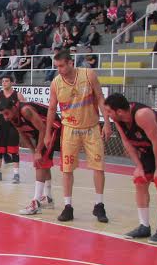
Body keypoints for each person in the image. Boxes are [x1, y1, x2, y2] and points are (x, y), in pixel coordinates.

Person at [103, 93, 157, 245]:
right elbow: (127, 143)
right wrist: (139, 167)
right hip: (149, 147)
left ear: (119, 111)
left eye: (108, 111)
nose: (106, 115)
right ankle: (144, 226)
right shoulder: (119, 120)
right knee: (140, 180)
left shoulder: (142, 115)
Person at [45, 49, 111, 224]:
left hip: (92, 127)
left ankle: (99, 204)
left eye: (61, 66)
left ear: (70, 63)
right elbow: (52, 109)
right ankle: (68, 206)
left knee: (99, 167)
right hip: (69, 129)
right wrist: (47, 133)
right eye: (56, 66)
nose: (58, 69)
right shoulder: (56, 83)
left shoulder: (89, 75)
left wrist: (107, 122)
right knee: (66, 169)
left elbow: (100, 98)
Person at [0, 97, 61, 215]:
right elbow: (23, 134)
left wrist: (38, 150)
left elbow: (43, 129)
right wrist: (33, 151)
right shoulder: (12, 117)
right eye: (3, 115)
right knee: (42, 161)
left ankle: (36, 203)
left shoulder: (25, 111)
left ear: (13, 108)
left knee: (40, 162)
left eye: (7, 113)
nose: (6, 117)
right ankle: (48, 198)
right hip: (40, 131)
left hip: (52, 127)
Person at [0, 76, 24, 183]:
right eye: (3, 81)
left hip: (13, 125)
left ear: (12, 83)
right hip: (0, 125)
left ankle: (16, 174)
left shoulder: (17, 95)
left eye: (6, 81)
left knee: (14, 151)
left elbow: (25, 109)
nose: (4, 83)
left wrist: (21, 123)